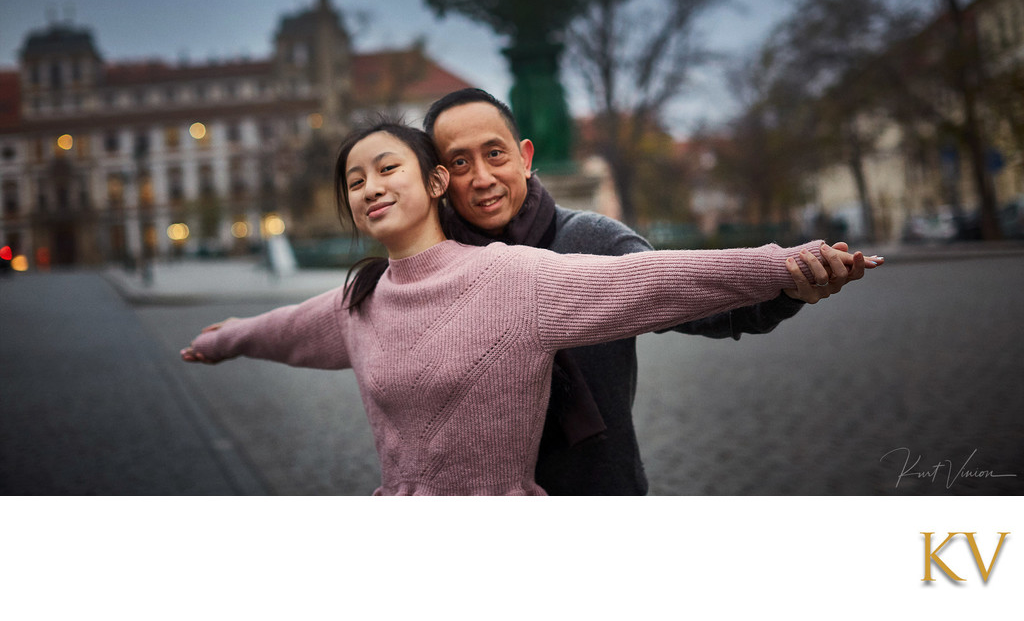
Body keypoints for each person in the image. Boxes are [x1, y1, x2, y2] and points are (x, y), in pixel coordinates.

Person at [182, 119, 882, 496]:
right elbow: (287, 329)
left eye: (387, 168)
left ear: (432, 182)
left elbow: (655, 281)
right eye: (354, 180)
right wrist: (227, 337)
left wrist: (784, 266)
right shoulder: (361, 297)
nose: (368, 186)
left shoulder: (515, 275)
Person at [423, 88, 875, 495]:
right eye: (460, 162)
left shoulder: (596, 240)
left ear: (524, 156)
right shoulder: (429, 271)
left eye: (495, 154)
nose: (481, 177)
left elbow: (703, 305)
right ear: (438, 179)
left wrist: (789, 285)